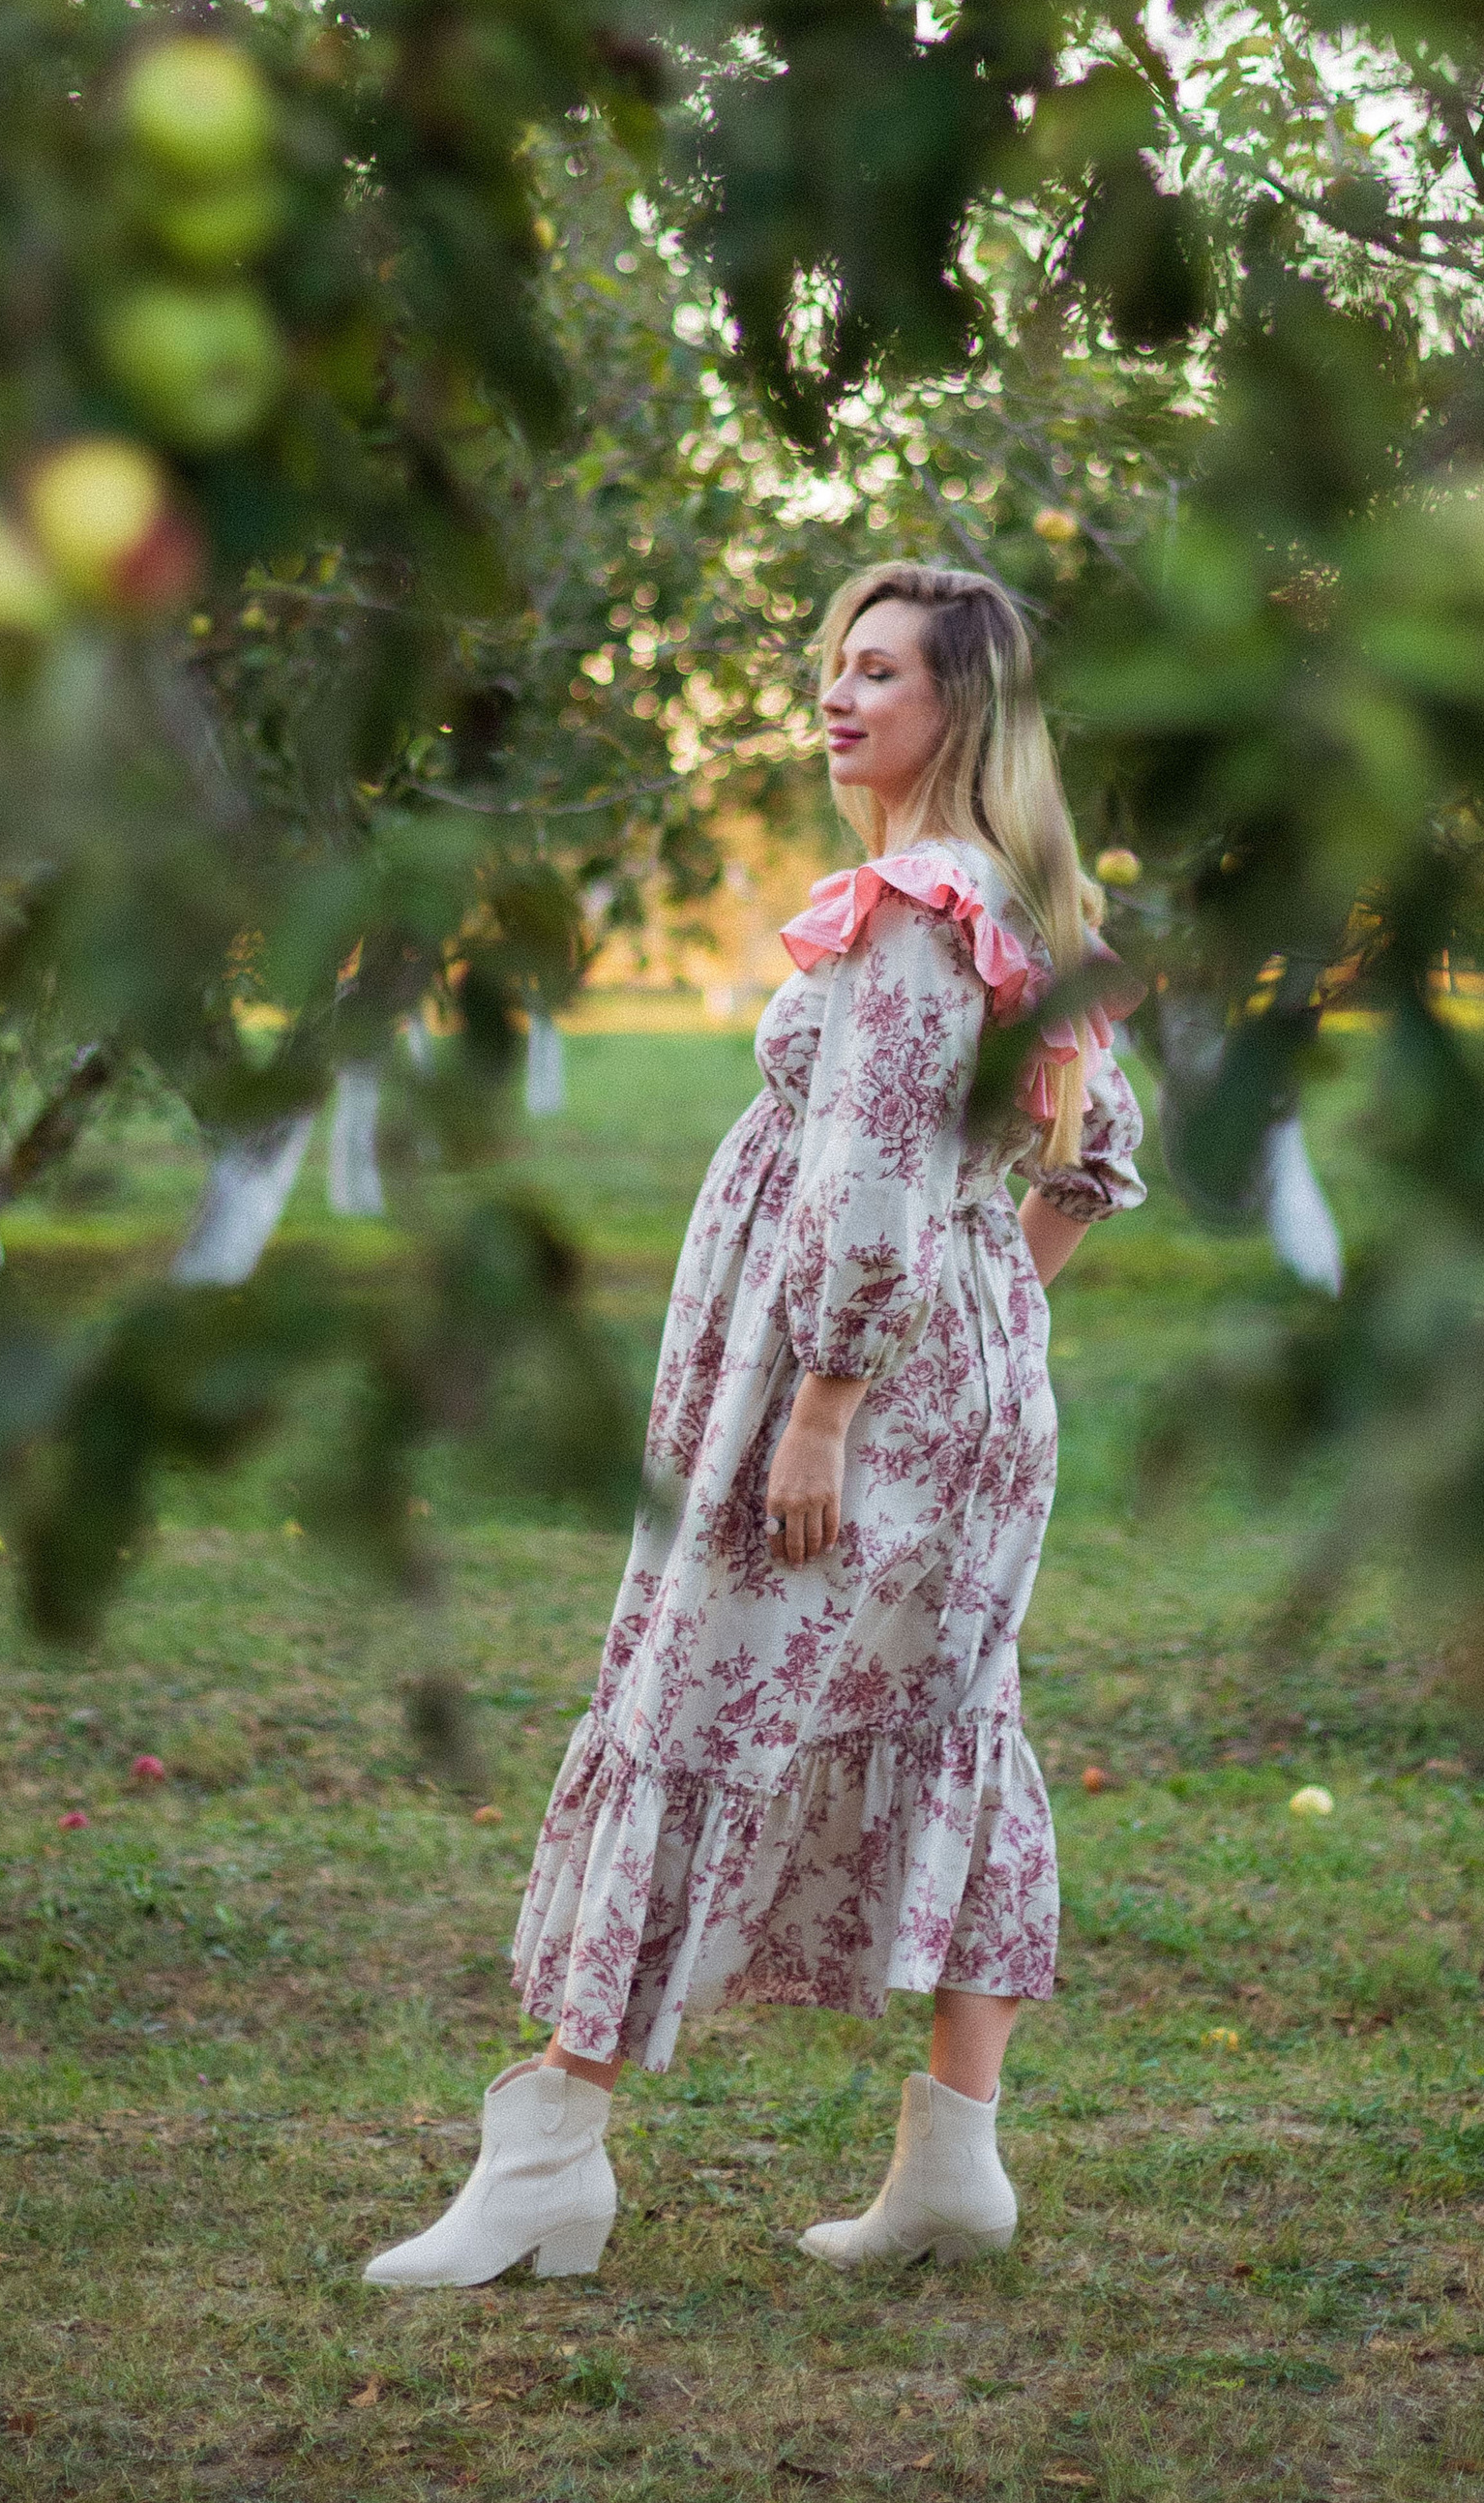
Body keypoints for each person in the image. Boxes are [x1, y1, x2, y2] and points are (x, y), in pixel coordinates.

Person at [363, 562, 1146, 2291]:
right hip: (957, 1398)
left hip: (847, 1406)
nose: (841, 696)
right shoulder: (1020, 910)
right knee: (953, 1717)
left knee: (697, 1692)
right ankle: (955, 2171)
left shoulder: (916, 913)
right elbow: (1097, 1152)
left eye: (885, 674)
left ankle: (553, 2160)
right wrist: (985, 1322)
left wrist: (836, 1405)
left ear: (965, 711)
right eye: (837, 666)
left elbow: (869, 1184)